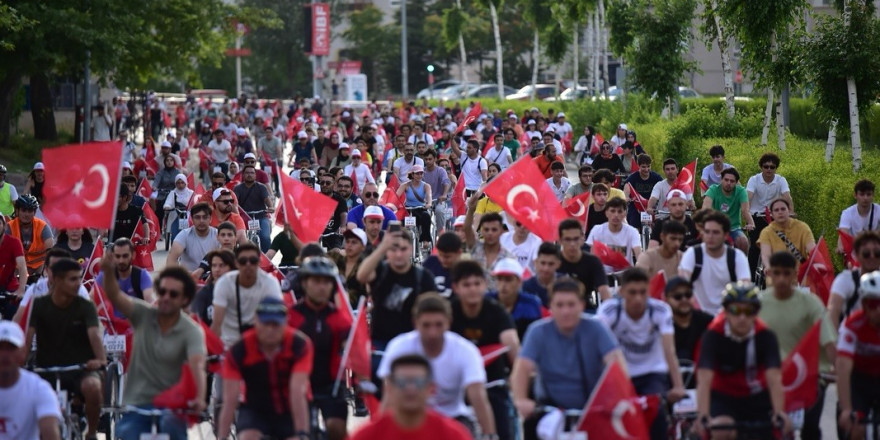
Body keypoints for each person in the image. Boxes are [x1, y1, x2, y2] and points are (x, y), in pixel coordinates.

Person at [99, 256, 207, 440]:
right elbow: (115, 295)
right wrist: (109, 272)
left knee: (174, 430)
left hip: (172, 406)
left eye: (173, 294)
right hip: (137, 404)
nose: (166, 297)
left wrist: (200, 398)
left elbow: (198, 366)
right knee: (126, 433)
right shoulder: (143, 314)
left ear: (185, 299)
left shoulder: (192, 331)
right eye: (162, 291)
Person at [510, 278, 624, 440]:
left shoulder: (597, 329)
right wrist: (521, 400)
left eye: (571, 305)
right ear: (550, 307)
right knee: (530, 428)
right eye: (560, 305)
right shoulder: (537, 332)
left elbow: (616, 364)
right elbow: (521, 369)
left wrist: (616, 398)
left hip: (592, 409)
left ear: (582, 305)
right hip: (548, 410)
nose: (565, 311)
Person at [377, 294, 498, 437]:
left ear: (449, 322)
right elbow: (389, 395)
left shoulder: (466, 350)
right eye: (426, 325)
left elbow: (477, 396)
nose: (432, 333)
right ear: (415, 323)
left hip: (453, 417)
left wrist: (490, 434)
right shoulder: (399, 347)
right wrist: (380, 431)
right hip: (408, 416)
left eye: (438, 325)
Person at [596, 267, 686, 440]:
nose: (638, 298)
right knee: (611, 415)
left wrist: (678, 386)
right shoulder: (609, 311)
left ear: (649, 291)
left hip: (652, 372)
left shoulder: (661, 310)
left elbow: (669, 351)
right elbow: (599, 352)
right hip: (619, 374)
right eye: (632, 292)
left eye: (642, 292)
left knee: (656, 412)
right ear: (621, 292)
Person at [694, 282, 791, 439]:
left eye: (748, 311)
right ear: (726, 311)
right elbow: (704, 379)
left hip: (757, 396)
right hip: (723, 397)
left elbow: (774, 378)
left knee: (778, 431)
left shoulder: (766, 336)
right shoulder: (713, 335)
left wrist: (779, 412)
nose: (742, 317)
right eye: (735, 310)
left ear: (756, 312)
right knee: (720, 429)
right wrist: (703, 415)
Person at [758, 251, 837, 440]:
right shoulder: (759, 303)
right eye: (777, 273)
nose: (782, 279)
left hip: (810, 376)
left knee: (810, 429)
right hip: (772, 376)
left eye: (787, 273)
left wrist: (837, 369)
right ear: (769, 275)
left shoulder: (811, 303)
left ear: (795, 274)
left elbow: (828, 340)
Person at [26, 258, 106, 440]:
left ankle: (92, 432)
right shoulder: (39, 305)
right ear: (57, 280)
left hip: (81, 369)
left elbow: (94, 335)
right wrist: (18, 364)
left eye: (79, 278)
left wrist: (100, 359)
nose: (79, 283)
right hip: (46, 369)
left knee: (93, 387)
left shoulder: (85, 306)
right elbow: (27, 337)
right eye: (73, 279)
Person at [217, 296, 312, 440]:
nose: (270, 330)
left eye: (276, 324)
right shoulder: (239, 350)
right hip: (255, 409)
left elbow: (297, 391)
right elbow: (230, 399)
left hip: (290, 408)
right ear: (255, 321)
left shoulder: (300, 345)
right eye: (265, 323)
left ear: (286, 322)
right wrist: (222, 437)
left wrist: (302, 434)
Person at [449, 261, 519, 440]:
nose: (472, 289)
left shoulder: (496, 311)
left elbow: (512, 344)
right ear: (456, 287)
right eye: (466, 285)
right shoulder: (448, 311)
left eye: (477, 284)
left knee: (504, 431)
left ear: (485, 285)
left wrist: (517, 375)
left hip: (492, 382)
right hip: (456, 384)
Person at [356, 230, 438, 375]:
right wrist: (382, 248)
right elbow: (362, 276)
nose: (398, 254)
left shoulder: (423, 277)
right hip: (381, 342)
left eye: (403, 249)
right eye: (394, 249)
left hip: (412, 342)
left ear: (411, 249)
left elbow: (433, 309)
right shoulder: (381, 271)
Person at [288, 258, 351, 440]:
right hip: (298, 386)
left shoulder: (339, 318)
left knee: (337, 429)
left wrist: (361, 376)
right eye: (316, 281)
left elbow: (353, 350)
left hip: (331, 385)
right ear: (305, 284)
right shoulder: (291, 316)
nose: (321, 287)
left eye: (326, 282)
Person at [351, 354, 471, 440]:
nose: (410, 389)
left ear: (431, 388)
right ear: (389, 388)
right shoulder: (367, 436)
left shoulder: (453, 435)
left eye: (418, 382)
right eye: (402, 382)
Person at [211, 243, 283, 349]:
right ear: (236, 263)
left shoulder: (270, 283)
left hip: (260, 345)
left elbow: (276, 321)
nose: (248, 264)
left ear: (259, 262)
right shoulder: (225, 283)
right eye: (243, 261)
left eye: (253, 261)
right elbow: (217, 323)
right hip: (229, 346)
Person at [836, 270, 880, 440]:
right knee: (856, 429)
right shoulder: (852, 325)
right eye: (872, 304)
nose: (878, 310)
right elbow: (843, 368)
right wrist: (847, 410)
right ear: (863, 303)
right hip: (859, 381)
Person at [679, 211, 751, 314]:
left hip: (728, 316)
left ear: (726, 235)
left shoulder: (737, 257)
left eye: (716, 232)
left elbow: (745, 288)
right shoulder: (693, 253)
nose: (710, 236)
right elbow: (682, 283)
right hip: (697, 315)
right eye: (707, 232)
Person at [0, 320, 62, 440]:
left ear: (23, 352)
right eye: (0, 348)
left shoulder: (39, 390)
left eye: (11, 348)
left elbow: (51, 433)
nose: (5, 354)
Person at [746, 153, 793, 273]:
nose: (769, 169)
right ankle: (750, 277)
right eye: (766, 166)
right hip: (756, 217)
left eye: (772, 167)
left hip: (774, 217)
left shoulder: (781, 180)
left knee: (779, 246)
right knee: (755, 246)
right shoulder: (754, 180)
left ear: (776, 168)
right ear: (761, 167)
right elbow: (748, 198)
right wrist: (747, 216)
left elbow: (787, 197)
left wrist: (791, 213)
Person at [830, 230, 880, 329]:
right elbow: (833, 312)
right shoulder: (845, 280)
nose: (872, 257)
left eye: (877, 253)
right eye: (866, 253)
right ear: (857, 255)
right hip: (851, 338)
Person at [557, 219, 611, 306]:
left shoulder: (593, 262)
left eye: (576, 239)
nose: (572, 244)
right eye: (567, 239)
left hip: (586, 308)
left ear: (582, 239)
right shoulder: (553, 261)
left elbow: (604, 290)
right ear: (560, 241)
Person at [463, 201, 514, 291]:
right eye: (486, 229)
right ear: (482, 231)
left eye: (494, 230)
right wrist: (471, 210)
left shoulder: (508, 257)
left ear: (501, 231)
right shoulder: (476, 247)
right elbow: (467, 229)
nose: (490, 233)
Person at [488, 258, 543, 339]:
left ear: (519, 282)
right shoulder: (486, 301)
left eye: (508, 280)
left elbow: (536, 337)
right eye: (499, 279)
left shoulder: (531, 303)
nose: (503, 285)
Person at [703, 168, 755, 254]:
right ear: (721, 180)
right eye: (726, 180)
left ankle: (741, 265)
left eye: (732, 181)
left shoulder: (741, 191)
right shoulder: (713, 189)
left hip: (734, 228)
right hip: (715, 227)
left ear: (736, 182)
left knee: (743, 242)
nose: (728, 183)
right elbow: (705, 208)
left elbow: (745, 211)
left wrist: (751, 223)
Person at [758, 197, 815, 272]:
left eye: (783, 209)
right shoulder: (766, 232)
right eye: (776, 210)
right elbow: (766, 255)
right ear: (771, 214)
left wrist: (817, 263)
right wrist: (768, 266)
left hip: (800, 274)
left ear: (789, 211)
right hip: (776, 274)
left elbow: (812, 249)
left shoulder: (802, 227)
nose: (780, 212)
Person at [96, 238, 155, 310]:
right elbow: (92, 298)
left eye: (125, 256)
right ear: (112, 256)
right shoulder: (105, 275)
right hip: (110, 320)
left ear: (133, 255)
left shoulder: (142, 275)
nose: (121, 261)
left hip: (134, 319)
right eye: (117, 256)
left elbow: (149, 301)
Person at [587, 197, 642, 273]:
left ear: (625, 213)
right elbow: (591, 254)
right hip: (602, 274)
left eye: (620, 211)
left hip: (626, 274)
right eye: (612, 211)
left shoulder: (632, 232)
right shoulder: (597, 230)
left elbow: (639, 255)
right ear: (606, 213)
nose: (616, 215)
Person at [664, 277, 713, 362]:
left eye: (688, 295)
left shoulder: (707, 322)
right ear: (666, 299)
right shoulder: (660, 324)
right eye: (677, 296)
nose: (684, 300)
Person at [8, 194, 54, 282]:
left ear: (34, 212)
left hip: (38, 268)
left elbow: (50, 251)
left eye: (30, 211)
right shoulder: (9, 227)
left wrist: (46, 271)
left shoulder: (43, 226)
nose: (27, 214)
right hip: (17, 267)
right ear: (17, 211)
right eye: (24, 210)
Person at [166, 202, 219, 272]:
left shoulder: (218, 234)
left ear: (210, 219)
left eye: (205, 217)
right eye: (197, 217)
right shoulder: (184, 235)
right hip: (189, 279)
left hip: (212, 277)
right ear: (192, 219)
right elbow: (172, 258)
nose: (201, 221)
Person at [233, 165, 274, 252]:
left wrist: (270, 207)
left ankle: (267, 260)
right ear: (243, 175)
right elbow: (234, 203)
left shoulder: (261, 187)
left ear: (255, 175)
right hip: (244, 218)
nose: (249, 175)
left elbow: (267, 200)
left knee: (265, 237)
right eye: (247, 173)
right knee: (238, 238)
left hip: (261, 217)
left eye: (252, 173)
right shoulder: (238, 188)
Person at [190, 249, 236, 326]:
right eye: (214, 266)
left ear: (231, 268)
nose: (217, 270)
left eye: (222, 265)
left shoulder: (241, 291)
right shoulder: (203, 294)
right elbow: (194, 323)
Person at [837, 179, 880, 254]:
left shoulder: (878, 210)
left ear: (873, 195)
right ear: (855, 195)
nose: (865, 198)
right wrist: (840, 246)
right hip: (855, 255)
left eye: (868, 194)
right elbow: (843, 235)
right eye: (862, 194)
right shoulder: (847, 213)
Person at [397, 165, 434, 247]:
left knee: (426, 216)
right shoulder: (405, 185)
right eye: (417, 174)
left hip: (420, 209)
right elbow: (396, 197)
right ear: (412, 175)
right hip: (408, 210)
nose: (420, 176)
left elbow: (429, 196)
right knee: (397, 222)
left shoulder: (426, 186)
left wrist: (429, 203)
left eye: (421, 174)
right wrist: (394, 205)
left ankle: (425, 240)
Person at [624, 154, 663, 226]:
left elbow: (662, 185)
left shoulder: (656, 177)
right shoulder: (634, 177)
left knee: (659, 223)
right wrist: (626, 196)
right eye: (643, 167)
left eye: (648, 166)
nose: (646, 169)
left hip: (651, 205)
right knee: (633, 222)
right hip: (637, 205)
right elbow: (627, 185)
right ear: (638, 166)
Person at [0, 214, 27, 318]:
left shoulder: (14, 242)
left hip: (10, 289)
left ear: (4, 225)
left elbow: (22, 267)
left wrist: (21, 289)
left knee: (16, 312)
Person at [422, 232, 463, 298]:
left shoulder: (464, 270)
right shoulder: (431, 263)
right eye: (440, 255)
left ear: (459, 253)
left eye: (447, 257)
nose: (442, 259)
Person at [162, 174, 193, 242]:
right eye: (178, 183)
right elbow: (168, 202)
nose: (180, 185)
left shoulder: (191, 193)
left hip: (188, 215)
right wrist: (167, 206)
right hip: (175, 215)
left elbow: (195, 202)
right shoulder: (173, 193)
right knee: (175, 236)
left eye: (182, 182)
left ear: (185, 182)